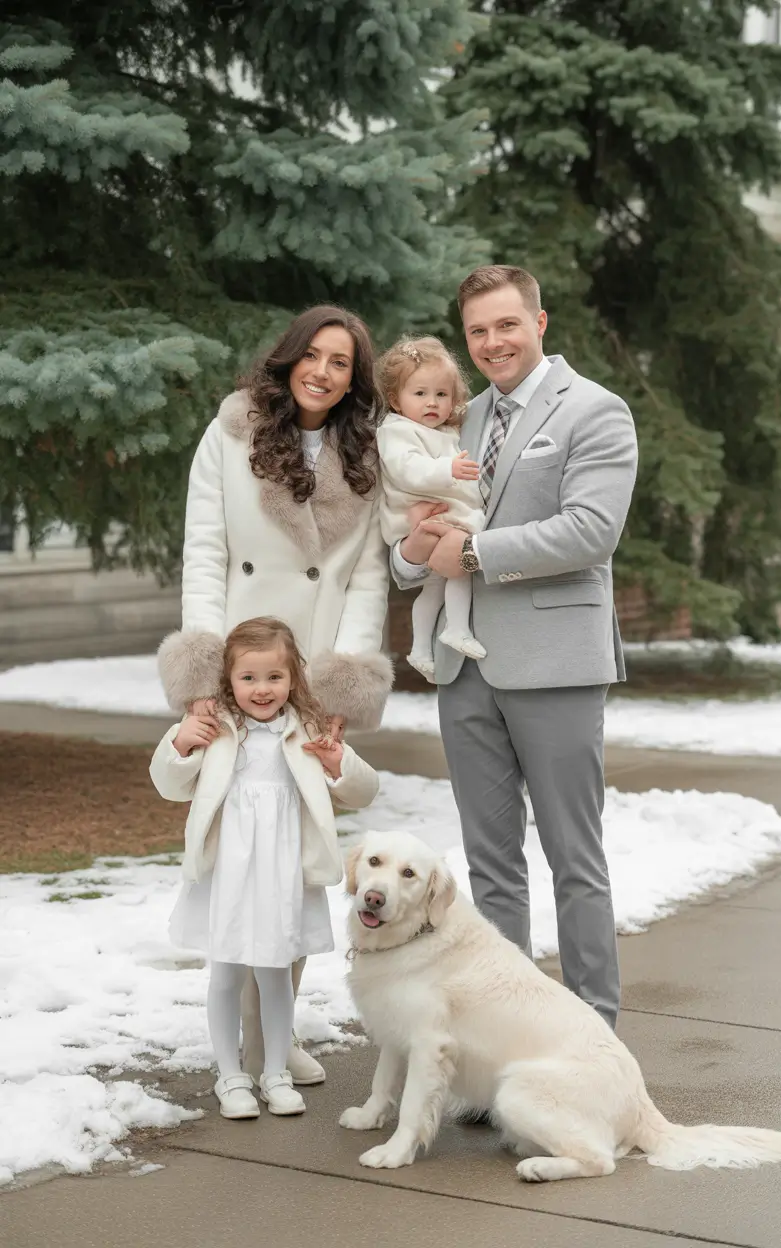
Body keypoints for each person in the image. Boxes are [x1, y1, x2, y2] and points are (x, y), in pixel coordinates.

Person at [391, 265, 638, 1031]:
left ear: (540, 322)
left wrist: (467, 554)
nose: (492, 342)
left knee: (574, 859)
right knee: (490, 864)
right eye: (477, 332)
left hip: (556, 661)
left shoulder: (595, 411)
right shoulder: (453, 423)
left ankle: (594, 1030)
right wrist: (412, 551)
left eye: (505, 325)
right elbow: (413, 538)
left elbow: (590, 530)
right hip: (464, 666)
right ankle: (504, 1033)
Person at [157, 305, 392, 1086]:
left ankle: (276, 1036)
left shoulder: (368, 455)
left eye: (342, 364)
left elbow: (366, 578)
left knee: (294, 857)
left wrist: (341, 680)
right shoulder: (231, 434)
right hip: (243, 662)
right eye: (313, 356)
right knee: (239, 851)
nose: (323, 372)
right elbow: (205, 551)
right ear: (289, 357)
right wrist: (202, 675)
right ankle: (241, 1042)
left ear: (355, 382)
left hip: (310, 666)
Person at [151, 617, 379, 1119]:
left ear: (293, 678)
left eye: (274, 677)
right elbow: (169, 783)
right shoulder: (214, 728)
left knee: (277, 973)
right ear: (228, 680)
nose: (261, 689)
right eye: (248, 678)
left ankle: (274, 1070)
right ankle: (229, 1076)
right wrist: (183, 743)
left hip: (282, 873)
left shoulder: (309, 732)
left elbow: (363, 791)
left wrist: (339, 762)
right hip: (227, 872)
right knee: (226, 973)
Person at [376, 336, 484, 681]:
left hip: (440, 515)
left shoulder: (446, 430)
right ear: (396, 399)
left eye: (441, 394)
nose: (431, 403)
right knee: (460, 567)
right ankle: (457, 627)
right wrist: (447, 470)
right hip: (422, 518)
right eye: (420, 394)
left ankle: (420, 647)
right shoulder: (396, 431)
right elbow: (407, 469)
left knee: (434, 587)